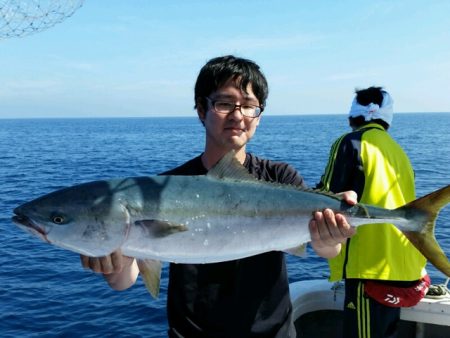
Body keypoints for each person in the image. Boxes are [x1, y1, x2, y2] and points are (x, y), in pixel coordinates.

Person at [81, 55, 356, 337]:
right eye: (225, 104)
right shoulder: (163, 187)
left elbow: (328, 250)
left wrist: (332, 233)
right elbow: (124, 280)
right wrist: (112, 262)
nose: (238, 116)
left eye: (249, 106)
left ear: (258, 117)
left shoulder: (279, 178)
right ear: (202, 109)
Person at [317, 86, 428, 338]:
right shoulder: (398, 152)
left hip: (369, 270)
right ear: (387, 119)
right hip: (404, 267)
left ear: (351, 117)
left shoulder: (349, 143)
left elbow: (326, 199)